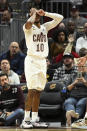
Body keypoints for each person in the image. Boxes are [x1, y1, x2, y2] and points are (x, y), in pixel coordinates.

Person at [21, 8, 63, 128]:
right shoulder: (27, 27)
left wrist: (46, 13)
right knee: (31, 90)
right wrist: (34, 13)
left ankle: (34, 119)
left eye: (37, 13)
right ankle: (26, 120)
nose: (36, 14)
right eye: (32, 13)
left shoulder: (44, 27)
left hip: (42, 61)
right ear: (30, 15)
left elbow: (60, 18)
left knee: (39, 91)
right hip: (32, 61)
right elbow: (29, 24)